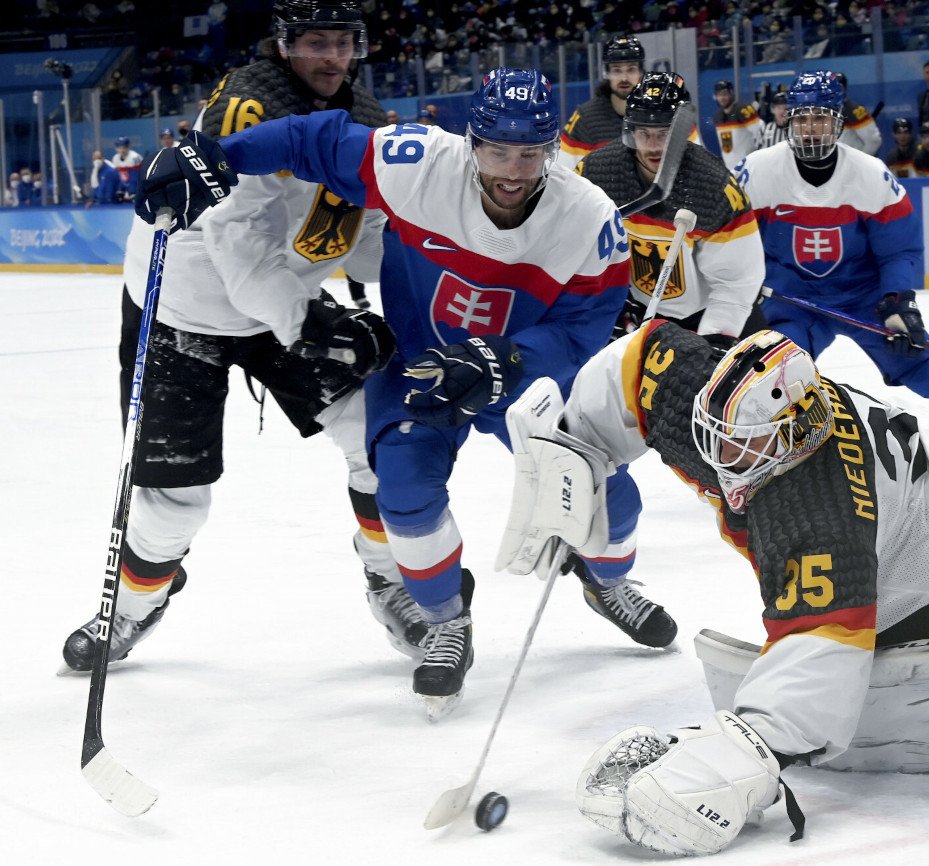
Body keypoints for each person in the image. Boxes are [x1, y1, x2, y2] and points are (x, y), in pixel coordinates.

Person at [198, 66, 678, 719]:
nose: (514, 169)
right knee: (401, 484)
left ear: (550, 150)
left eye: (531, 153)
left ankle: (608, 579)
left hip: (521, 374)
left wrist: (506, 356)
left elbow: (583, 330)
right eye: (499, 150)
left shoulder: (588, 219)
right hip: (419, 362)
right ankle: (447, 620)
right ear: (471, 141)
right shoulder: (417, 162)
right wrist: (212, 155)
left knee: (602, 482)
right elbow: (312, 139)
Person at [554, 322, 929, 856]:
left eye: (742, 448)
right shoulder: (714, 401)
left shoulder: (820, 514)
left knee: (885, 653)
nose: (721, 458)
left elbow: (819, 655)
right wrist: (572, 452)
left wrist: (739, 758)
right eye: (717, 437)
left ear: (794, 438)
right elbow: (639, 358)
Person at [60, 0, 413, 673]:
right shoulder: (249, 111)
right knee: (172, 503)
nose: (332, 57)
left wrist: (414, 255)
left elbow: (360, 236)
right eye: (316, 42)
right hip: (184, 306)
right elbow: (237, 244)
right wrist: (311, 322)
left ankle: (393, 580)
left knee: (379, 437)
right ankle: (133, 604)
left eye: (343, 43)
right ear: (283, 46)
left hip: (280, 298)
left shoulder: (363, 117)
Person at [734, 71, 929, 487]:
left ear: (838, 121)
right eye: (803, 118)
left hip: (864, 296)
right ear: (790, 121)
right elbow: (731, 238)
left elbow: (899, 250)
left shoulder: (870, 174)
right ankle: (757, 464)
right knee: (772, 376)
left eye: (820, 118)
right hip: (794, 297)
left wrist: (897, 302)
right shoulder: (758, 171)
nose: (810, 128)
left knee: (928, 368)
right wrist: (742, 295)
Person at [576, 72, 765, 343]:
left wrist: (715, 337)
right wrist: (610, 301)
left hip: (703, 314)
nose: (653, 146)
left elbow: (734, 282)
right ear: (630, 130)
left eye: (663, 134)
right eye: (644, 133)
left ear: (681, 132)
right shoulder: (597, 172)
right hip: (637, 313)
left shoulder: (714, 185)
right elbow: (578, 249)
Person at [557, 34, 644, 171]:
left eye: (631, 69)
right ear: (606, 73)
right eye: (616, 70)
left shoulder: (661, 113)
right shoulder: (585, 118)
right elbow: (562, 172)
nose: (624, 78)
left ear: (641, 72)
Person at [713, 79, 762, 170]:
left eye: (725, 94)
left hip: (749, 167)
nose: (722, 98)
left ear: (731, 93)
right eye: (719, 95)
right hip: (731, 170)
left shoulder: (744, 109)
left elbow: (761, 131)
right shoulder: (717, 116)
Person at [834, 72, 881, 156]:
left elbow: (874, 140)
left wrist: (860, 162)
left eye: (839, 87)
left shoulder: (854, 110)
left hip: (852, 163)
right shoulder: (825, 110)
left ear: (845, 88)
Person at [110, 135, 144, 200]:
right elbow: (118, 175)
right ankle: (121, 190)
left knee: (133, 188)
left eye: (124, 147)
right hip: (125, 179)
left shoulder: (134, 157)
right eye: (119, 148)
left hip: (136, 180)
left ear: (128, 147)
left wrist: (132, 190)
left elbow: (137, 176)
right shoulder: (115, 158)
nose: (122, 150)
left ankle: (133, 192)